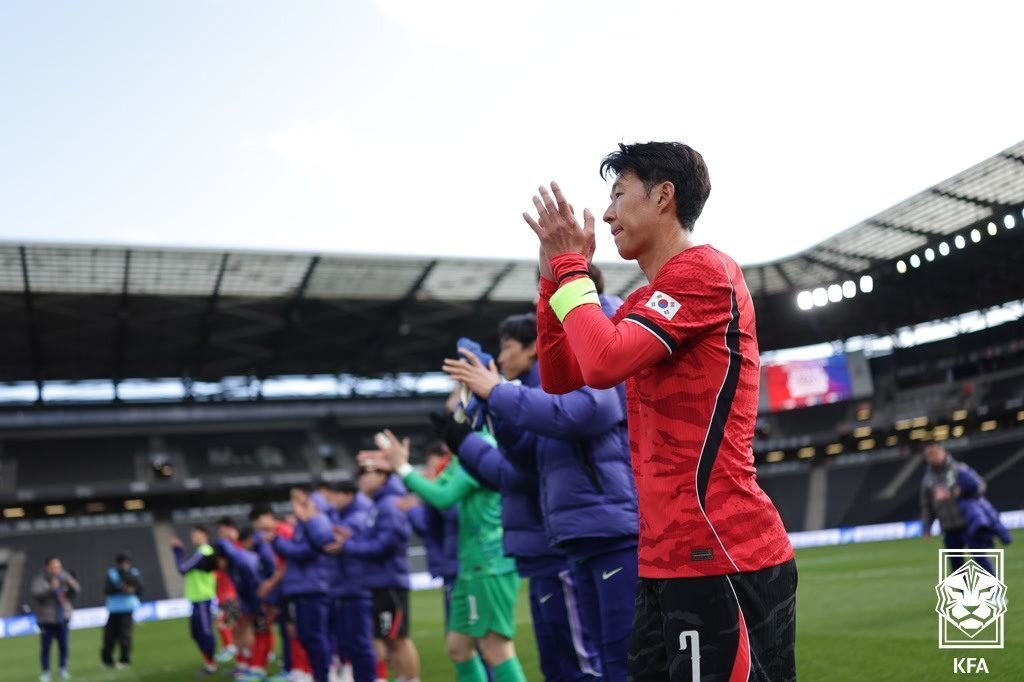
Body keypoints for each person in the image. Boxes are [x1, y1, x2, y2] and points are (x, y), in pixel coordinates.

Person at [522, 142, 797, 680]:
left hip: (721, 552)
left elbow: (602, 364)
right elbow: (561, 377)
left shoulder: (705, 272)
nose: (606, 214)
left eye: (618, 195)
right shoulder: (643, 302)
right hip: (664, 558)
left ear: (664, 196)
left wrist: (574, 267)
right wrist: (552, 277)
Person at [443, 312, 634, 680]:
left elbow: (581, 415)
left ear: (533, 348)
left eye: (507, 347)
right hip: (567, 538)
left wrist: (496, 395)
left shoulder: (582, 364)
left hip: (599, 533)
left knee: (598, 663)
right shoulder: (533, 393)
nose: (500, 358)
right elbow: (525, 463)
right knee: (569, 664)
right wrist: (494, 410)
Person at [362, 431, 527, 682]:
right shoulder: (460, 459)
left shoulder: (481, 448)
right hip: (469, 567)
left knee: (496, 650)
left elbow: (444, 498)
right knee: (458, 649)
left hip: (488, 564)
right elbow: (435, 491)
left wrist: (404, 469)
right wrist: (400, 471)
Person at [340, 465, 420, 682]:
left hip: (389, 581)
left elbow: (385, 545)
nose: (361, 480)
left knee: (397, 637)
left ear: (383, 475)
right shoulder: (378, 504)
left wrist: (347, 546)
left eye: (366, 474)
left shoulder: (389, 504)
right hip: (379, 581)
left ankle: (410, 679)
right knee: (386, 637)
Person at [261, 485, 337, 682]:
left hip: (313, 587)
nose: (293, 504)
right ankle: (319, 673)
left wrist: (277, 542)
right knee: (306, 636)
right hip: (302, 587)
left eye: (295, 499)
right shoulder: (303, 525)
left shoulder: (315, 520)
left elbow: (306, 552)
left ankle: (325, 674)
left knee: (315, 636)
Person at [921, 441, 1012, 573]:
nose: (931, 457)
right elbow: (926, 506)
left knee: (981, 560)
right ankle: (963, 594)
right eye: (928, 455)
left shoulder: (959, 469)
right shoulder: (927, 480)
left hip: (968, 523)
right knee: (957, 568)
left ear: (943, 452)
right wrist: (926, 527)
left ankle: (995, 593)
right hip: (949, 528)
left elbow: (980, 486)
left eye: (934, 453)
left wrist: (961, 491)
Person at [322, 478, 378, 682]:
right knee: (349, 643)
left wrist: (345, 543)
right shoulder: (342, 516)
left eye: (334, 495)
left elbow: (364, 550)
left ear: (347, 495)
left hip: (356, 588)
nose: (330, 500)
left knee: (361, 643)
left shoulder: (357, 518)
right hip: (344, 588)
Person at [216, 523, 276, 681]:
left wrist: (264, 602)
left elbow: (256, 581)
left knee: (255, 631)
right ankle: (249, 665)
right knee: (242, 630)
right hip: (243, 601)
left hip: (244, 600)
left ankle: (256, 666)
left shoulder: (245, 557)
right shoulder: (236, 562)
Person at [171, 525, 220, 674]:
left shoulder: (204, 551)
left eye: (195, 534)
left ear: (203, 534)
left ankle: (211, 664)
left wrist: (177, 552)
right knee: (196, 633)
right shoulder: (200, 552)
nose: (192, 537)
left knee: (205, 632)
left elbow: (183, 568)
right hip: (197, 599)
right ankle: (209, 662)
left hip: (203, 599)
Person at [31, 556, 79, 682]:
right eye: (54, 566)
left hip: (63, 618)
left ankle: (63, 670)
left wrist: (70, 583)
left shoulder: (64, 576)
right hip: (46, 620)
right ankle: (45, 672)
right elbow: (36, 594)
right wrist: (51, 588)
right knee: (45, 648)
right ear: (47, 567)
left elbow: (76, 590)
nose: (57, 569)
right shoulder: (40, 579)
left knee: (64, 646)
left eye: (59, 566)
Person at [102, 552, 143, 670]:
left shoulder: (134, 572)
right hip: (114, 609)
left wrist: (131, 589)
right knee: (109, 636)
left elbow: (140, 588)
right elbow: (107, 590)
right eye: (122, 563)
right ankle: (107, 661)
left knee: (125, 635)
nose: (125, 565)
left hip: (127, 608)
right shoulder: (112, 573)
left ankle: (124, 659)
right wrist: (120, 588)